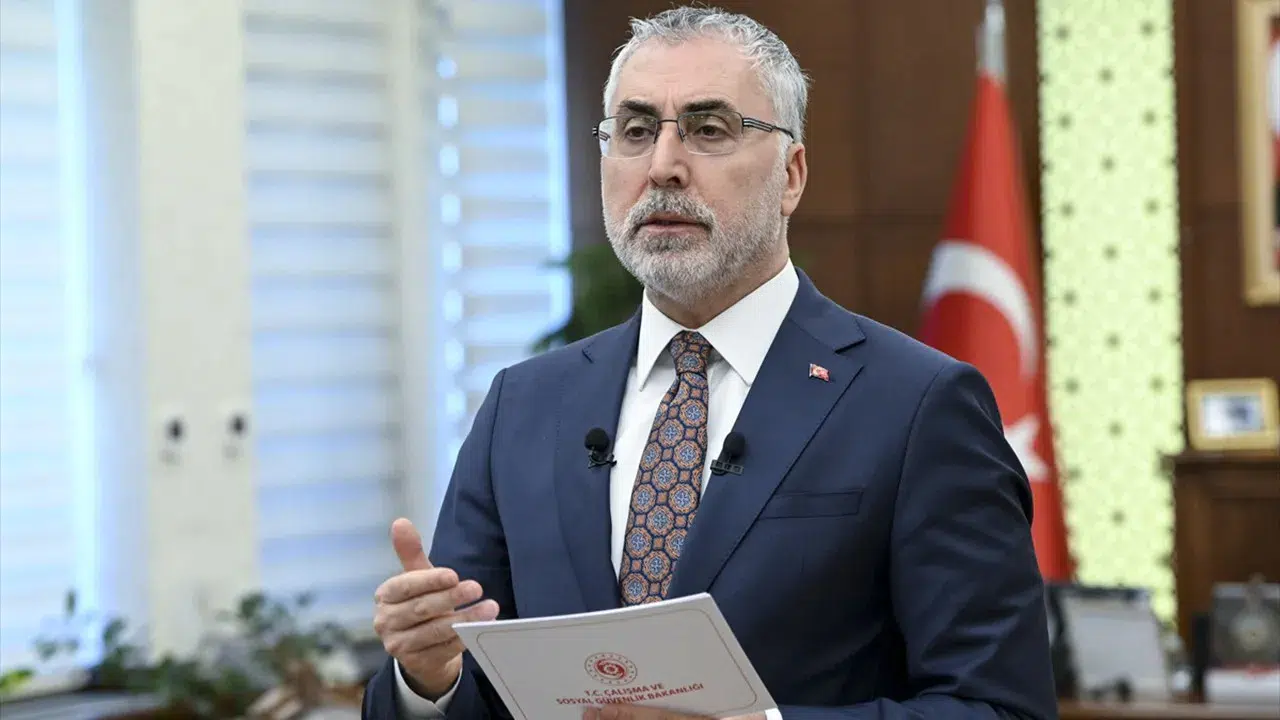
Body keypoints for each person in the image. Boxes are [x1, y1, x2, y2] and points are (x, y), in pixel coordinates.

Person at [363, 5, 1057, 719]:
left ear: (791, 175)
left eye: (708, 129)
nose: (663, 166)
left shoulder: (917, 405)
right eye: (636, 131)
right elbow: (479, 683)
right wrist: (428, 681)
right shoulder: (524, 405)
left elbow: (999, 708)